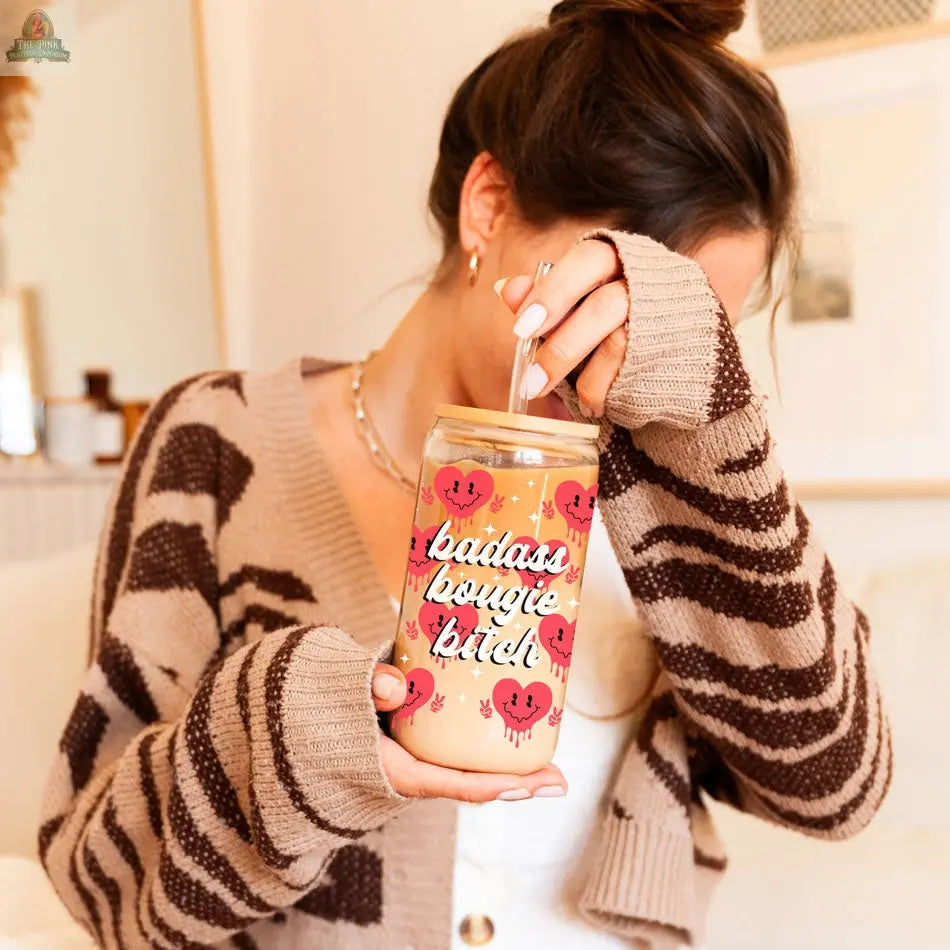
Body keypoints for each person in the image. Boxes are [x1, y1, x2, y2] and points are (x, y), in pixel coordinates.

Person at [37, 2, 890, 948]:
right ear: (488, 203)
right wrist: (298, 744)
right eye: (609, 306)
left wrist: (710, 422)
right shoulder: (218, 445)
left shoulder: (672, 501)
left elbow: (836, 788)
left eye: (684, 339)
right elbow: (100, 890)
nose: (624, 374)